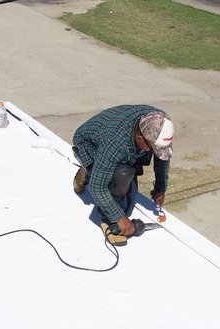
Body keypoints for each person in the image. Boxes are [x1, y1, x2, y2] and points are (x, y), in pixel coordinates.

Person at [71, 105, 174, 245]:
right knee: (122, 175)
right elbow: (97, 187)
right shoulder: (115, 144)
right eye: (152, 148)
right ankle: (107, 221)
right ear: (139, 138)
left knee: (129, 201)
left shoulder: (160, 123)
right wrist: (118, 218)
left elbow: (162, 156)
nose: (155, 152)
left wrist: (161, 187)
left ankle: (95, 170)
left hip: (112, 142)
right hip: (89, 145)